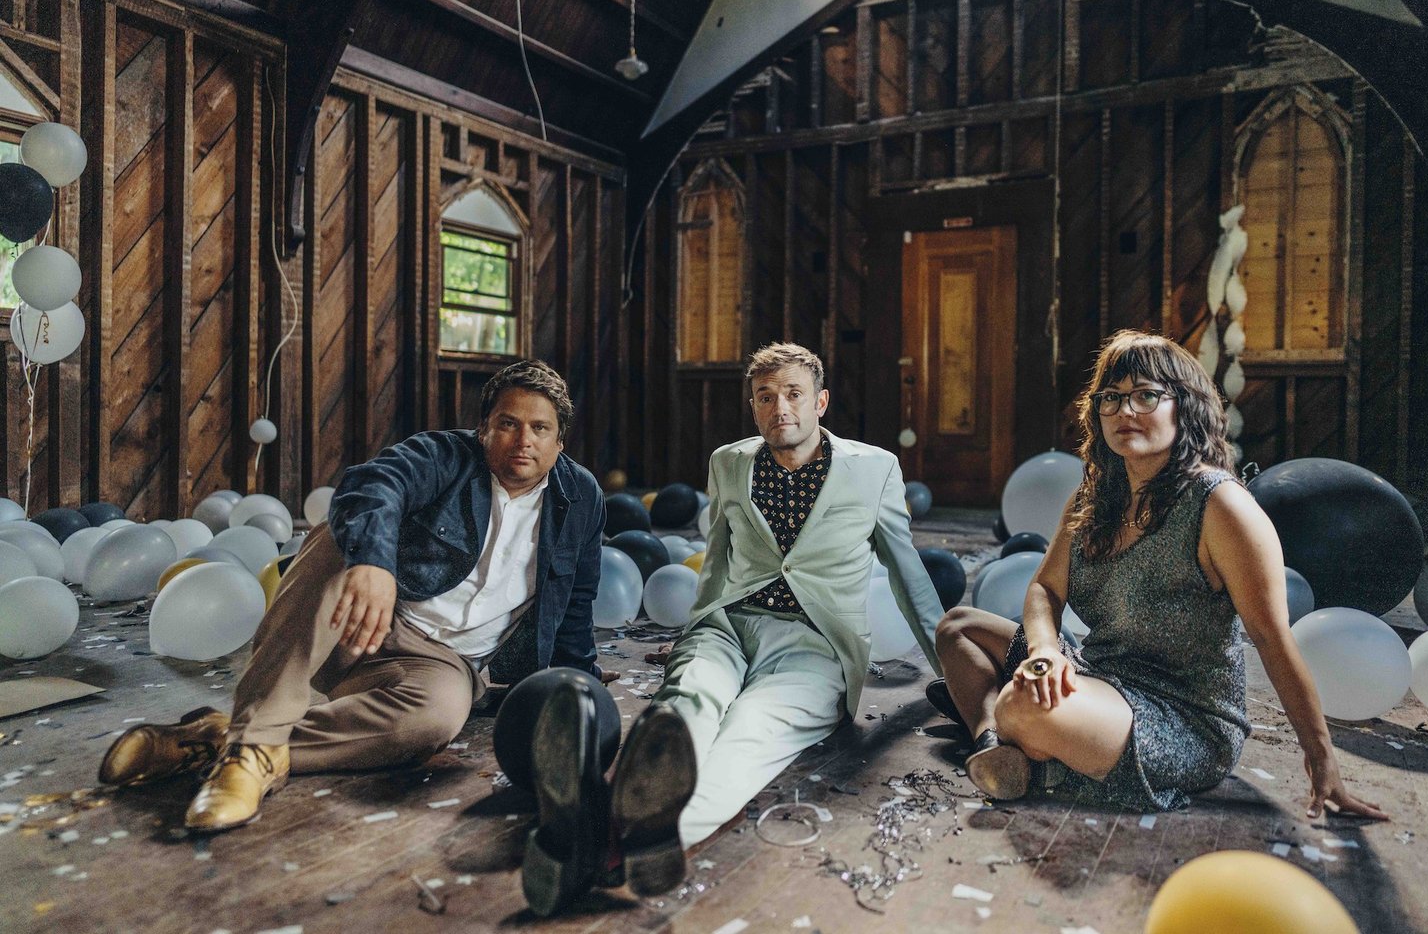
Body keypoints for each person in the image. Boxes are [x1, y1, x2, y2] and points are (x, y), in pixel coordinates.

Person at [97, 359, 609, 833]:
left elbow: (575, 606)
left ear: (560, 441)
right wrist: (373, 562)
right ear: (484, 430)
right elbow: (375, 483)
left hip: (445, 665)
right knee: (343, 535)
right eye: (508, 423)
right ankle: (252, 748)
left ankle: (221, 740)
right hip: (364, 625)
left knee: (436, 719)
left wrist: (584, 698)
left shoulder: (581, 499)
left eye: (540, 428)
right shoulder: (445, 456)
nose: (524, 440)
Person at [933, 330, 1387, 820]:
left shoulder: (1220, 505)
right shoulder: (1094, 496)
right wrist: (1045, 649)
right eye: (1112, 398)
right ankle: (996, 745)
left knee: (1023, 703)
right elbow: (1045, 589)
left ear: (1184, 407)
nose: (1125, 411)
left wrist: (1322, 760)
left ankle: (1014, 732)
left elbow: (1273, 639)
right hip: (1096, 671)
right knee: (958, 627)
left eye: (1146, 395)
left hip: (1180, 716)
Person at [658, 342, 945, 845]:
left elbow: (908, 575)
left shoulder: (873, 469)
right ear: (753, 406)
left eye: (793, 394)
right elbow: (717, 558)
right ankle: (620, 809)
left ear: (821, 402)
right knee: (687, 703)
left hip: (816, 642)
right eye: (765, 397)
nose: (779, 408)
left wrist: (955, 674)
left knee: (752, 729)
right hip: (729, 625)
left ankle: (659, 836)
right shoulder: (728, 463)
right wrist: (698, 628)